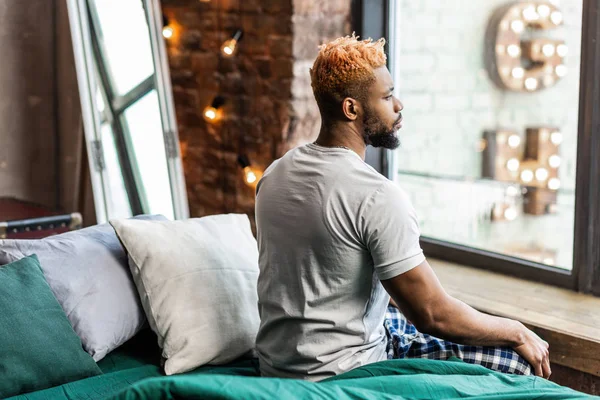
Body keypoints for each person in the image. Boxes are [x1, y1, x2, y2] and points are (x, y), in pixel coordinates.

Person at [254, 34, 550, 382]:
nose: (399, 105)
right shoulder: (376, 196)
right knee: (518, 363)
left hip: (278, 364)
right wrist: (517, 331)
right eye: (387, 96)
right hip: (346, 370)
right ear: (351, 109)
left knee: (398, 314)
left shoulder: (274, 174)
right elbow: (432, 314)